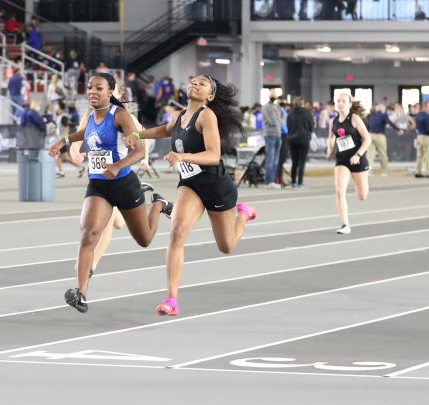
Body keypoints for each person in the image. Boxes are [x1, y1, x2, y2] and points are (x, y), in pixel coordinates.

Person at [125, 74, 253, 316]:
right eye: (193, 81)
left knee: (226, 246)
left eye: (202, 83)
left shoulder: (207, 115)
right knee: (177, 232)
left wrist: (183, 156)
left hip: (216, 185)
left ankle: (244, 214)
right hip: (190, 184)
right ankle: (171, 299)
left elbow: (214, 155)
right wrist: (139, 134)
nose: (195, 83)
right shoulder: (178, 115)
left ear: (210, 96)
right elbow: (164, 130)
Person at [49, 72, 173, 314]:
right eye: (89, 87)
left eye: (99, 88)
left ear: (110, 91)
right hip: (98, 185)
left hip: (124, 184)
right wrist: (62, 141)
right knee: (88, 233)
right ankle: (81, 293)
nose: (92, 92)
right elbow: (85, 133)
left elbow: (139, 151)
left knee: (145, 239)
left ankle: (158, 204)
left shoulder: (120, 115)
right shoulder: (91, 116)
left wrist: (117, 165)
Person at [325, 92, 372, 235]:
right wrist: (329, 148)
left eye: (343, 101)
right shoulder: (333, 121)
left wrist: (358, 155)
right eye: (338, 101)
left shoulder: (355, 119)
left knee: (362, 196)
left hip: (358, 159)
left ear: (350, 104)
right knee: (339, 191)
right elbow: (331, 137)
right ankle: (345, 225)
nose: (340, 103)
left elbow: (367, 139)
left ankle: (360, 180)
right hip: (342, 160)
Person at [285, 97, 315, 189]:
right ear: (303, 103)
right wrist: (308, 133)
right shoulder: (307, 113)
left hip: (292, 139)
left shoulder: (290, 113)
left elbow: (288, 126)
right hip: (304, 139)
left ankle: (293, 182)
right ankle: (300, 182)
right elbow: (311, 126)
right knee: (302, 162)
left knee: (294, 162)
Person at [260, 93, 283, 187]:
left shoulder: (277, 106)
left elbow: (281, 118)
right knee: (270, 158)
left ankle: (273, 180)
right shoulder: (265, 107)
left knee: (276, 160)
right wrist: (279, 122)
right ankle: (268, 181)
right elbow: (271, 121)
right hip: (270, 134)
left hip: (278, 134)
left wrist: (279, 123)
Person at [365, 103, 393, 175]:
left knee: (370, 154)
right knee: (382, 154)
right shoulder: (384, 115)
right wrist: (398, 129)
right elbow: (389, 122)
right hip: (380, 136)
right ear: (383, 109)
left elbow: (367, 126)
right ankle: (384, 171)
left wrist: (365, 136)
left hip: (370, 135)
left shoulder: (371, 115)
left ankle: (369, 170)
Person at [413, 102, 429, 177]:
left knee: (419, 155)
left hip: (419, 136)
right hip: (427, 137)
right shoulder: (426, 116)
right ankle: (428, 172)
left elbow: (416, 126)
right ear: (425, 107)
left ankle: (418, 171)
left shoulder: (418, 115)